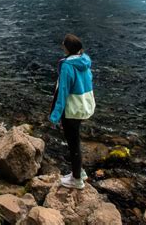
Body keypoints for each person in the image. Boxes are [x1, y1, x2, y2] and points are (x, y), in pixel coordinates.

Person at [49, 33, 96, 190]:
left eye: (63, 45)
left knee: (73, 144)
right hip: (82, 106)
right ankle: (79, 172)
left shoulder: (68, 66)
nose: (62, 47)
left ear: (67, 48)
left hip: (71, 108)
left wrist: (55, 115)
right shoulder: (84, 61)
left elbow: (62, 92)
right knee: (76, 139)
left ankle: (77, 180)